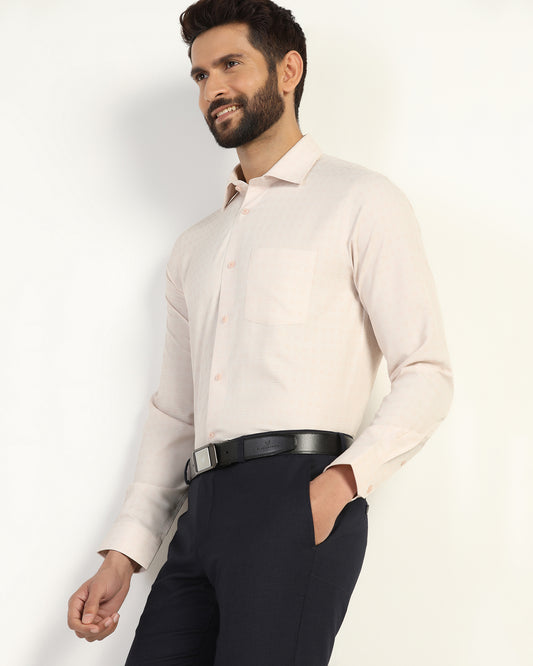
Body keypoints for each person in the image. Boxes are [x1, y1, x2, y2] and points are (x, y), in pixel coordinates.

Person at [67, 1, 454, 663]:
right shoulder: (196, 246)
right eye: (199, 75)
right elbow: (175, 413)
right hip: (200, 511)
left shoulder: (360, 200)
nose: (212, 88)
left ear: (288, 70)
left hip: (296, 497)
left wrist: (338, 485)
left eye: (230, 64)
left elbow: (426, 371)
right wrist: (123, 554)